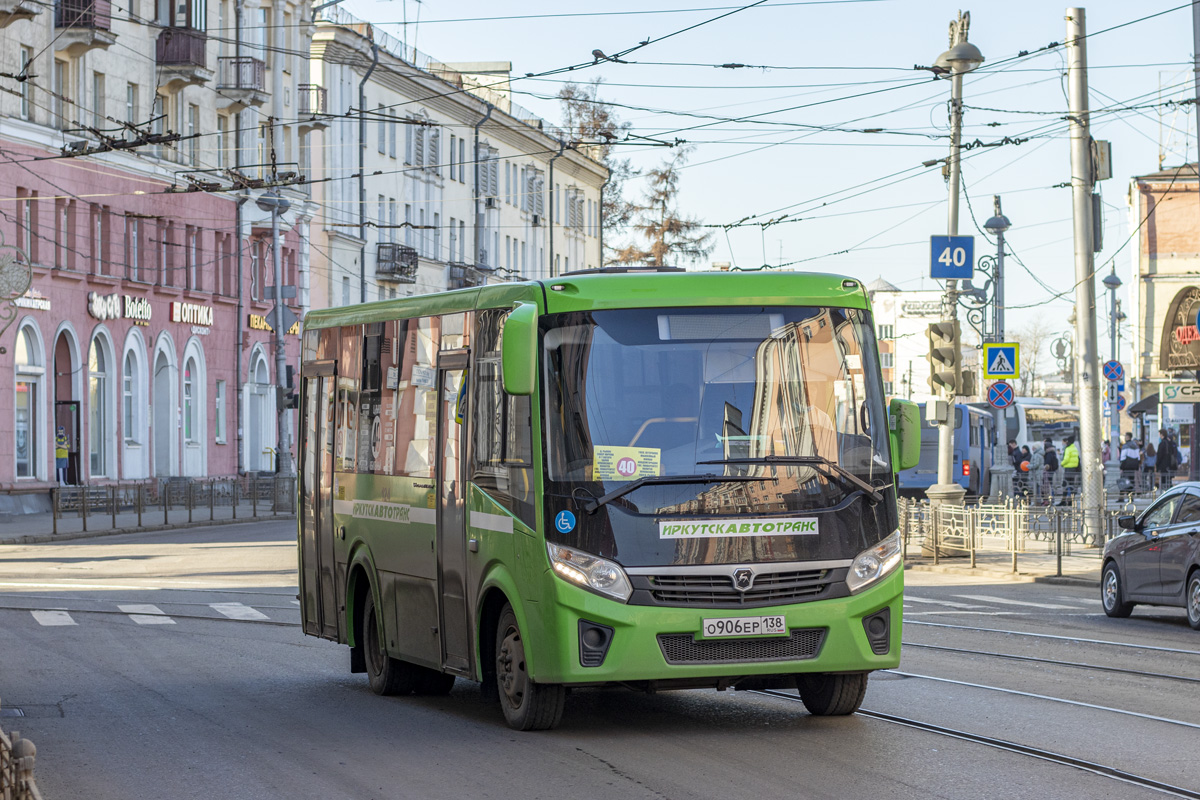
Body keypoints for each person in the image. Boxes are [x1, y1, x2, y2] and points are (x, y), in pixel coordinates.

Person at [1060, 435, 1080, 504]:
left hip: (1068, 469)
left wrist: (1062, 464)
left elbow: (1066, 459)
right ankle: (1071, 501)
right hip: (1074, 469)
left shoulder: (1068, 449)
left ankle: (1063, 500)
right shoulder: (1074, 448)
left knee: (1065, 484)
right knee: (1071, 486)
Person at [1042, 438, 1059, 503]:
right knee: (1051, 486)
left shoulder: (1048, 454)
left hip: (1048, 472)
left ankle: (1050, 499)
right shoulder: (1053, 452)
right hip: (1053, 471)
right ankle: (1052, 499)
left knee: (1048, 486)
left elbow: (1047, 463)